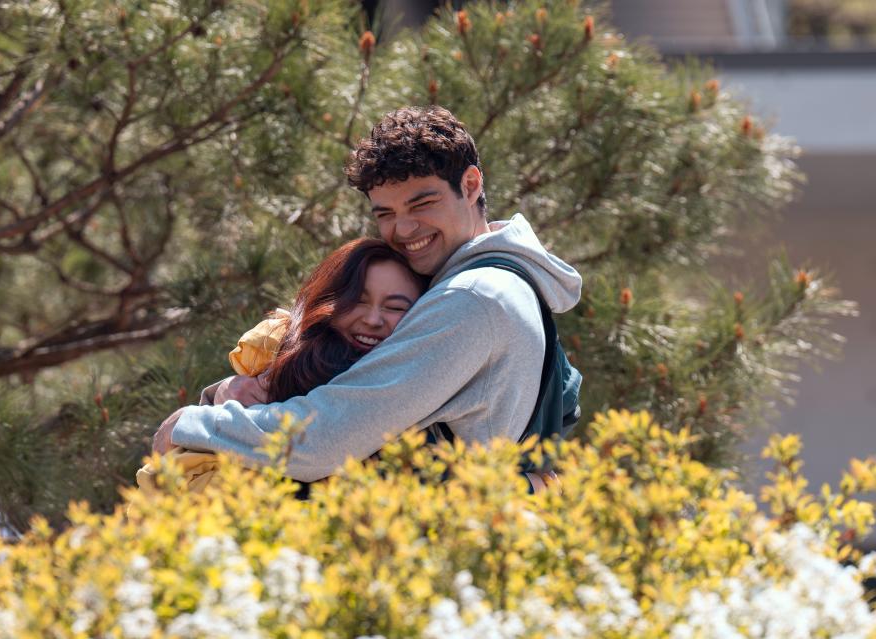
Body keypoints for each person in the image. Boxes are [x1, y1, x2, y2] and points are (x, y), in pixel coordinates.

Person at [152, 105, 582, 486]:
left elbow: (326, 438)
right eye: (386, 214)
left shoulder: (474, 296)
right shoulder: (503, 281)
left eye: (421, 204)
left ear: (470, 186)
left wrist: (192, 424)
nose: (405, 230)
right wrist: (239, 388)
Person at [138, 238, 428, 495]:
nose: (373, 319)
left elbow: (315, 441)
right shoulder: (291, 355)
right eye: (358, 301)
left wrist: (191, 421)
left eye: (395, 307)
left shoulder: (414, 375)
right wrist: (219, 399)